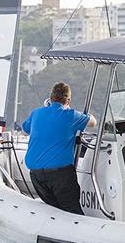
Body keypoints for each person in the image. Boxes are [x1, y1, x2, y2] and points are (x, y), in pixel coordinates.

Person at [22, 82, 96, 215]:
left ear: (51, 98)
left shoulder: (37, 113)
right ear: (68, 100)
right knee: (72, 211)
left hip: (36, 174)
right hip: (60, 174)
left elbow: (24, 131)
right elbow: (92, 123)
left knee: (54, 212)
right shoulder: (71, 115)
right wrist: (88, 115)